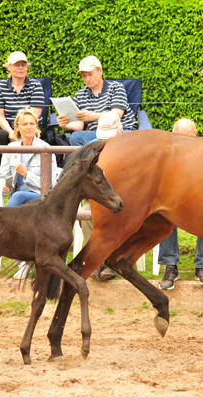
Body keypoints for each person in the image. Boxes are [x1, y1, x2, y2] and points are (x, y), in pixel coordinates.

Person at [158, 118, 203, 290]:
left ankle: (202, 267)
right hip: (175, 202)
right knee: (164, 215)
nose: (186, 142)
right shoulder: (165, 153)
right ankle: (170, 266)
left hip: (199, 200)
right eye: (181, 138)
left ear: (196, 134)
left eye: (189, 137)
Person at [0, 107, 56, 279]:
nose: (29, 127)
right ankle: (25, 259)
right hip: (17, 196)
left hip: (41, 196)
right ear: (17, 127)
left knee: (18, 199)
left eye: (32, 124)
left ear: (36, 127)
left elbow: (50, 183)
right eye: (25, 124)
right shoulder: (10, 147)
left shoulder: (45, 147)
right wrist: (4, 186)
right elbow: (2, 176)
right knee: (17, 199)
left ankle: (16, 250)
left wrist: (26, 174)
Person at [0, 52, 45, 200]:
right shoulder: (0, 86)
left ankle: (31, 182)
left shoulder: (35, 85)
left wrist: (23, 129)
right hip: (9, 126)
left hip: (29, 125)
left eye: (23, 65)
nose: (21, 68)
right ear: (8, 67)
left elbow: (35, 115)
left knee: (30, 133)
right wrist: (11, 131)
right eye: (17, 65)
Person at [57, 55, 137, 147]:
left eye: (90, 74)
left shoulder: (116, 87)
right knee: (75, 137)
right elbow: (79, 126)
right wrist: (64, 125)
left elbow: (116, 114)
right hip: (97, 133)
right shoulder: (79, 95)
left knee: (92, 146)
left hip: (121, 130)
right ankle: (94, 148)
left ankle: (93, 148)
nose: (87, 79)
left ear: (100, 71)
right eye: (84, 76)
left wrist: (92, 116)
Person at [80, 111, 123, 281]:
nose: (105, 141)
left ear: (120, 131)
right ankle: (96, 260)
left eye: (110, 136)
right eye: (102, 136)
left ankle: (112, 261)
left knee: (122, 213)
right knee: (85, 211)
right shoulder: (90, 147)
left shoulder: (132, 146)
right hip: (98, 196)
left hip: (124, 195)